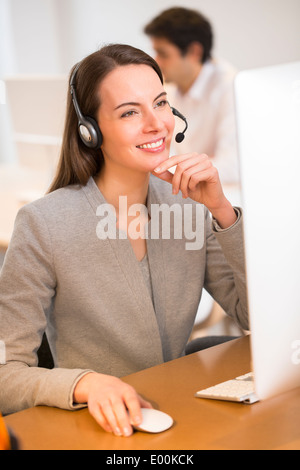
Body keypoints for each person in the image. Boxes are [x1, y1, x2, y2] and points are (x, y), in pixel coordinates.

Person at [0, 44, 248, 438]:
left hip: (175, 413)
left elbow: (254, 317)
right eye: (130, 112)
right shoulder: (43, 224)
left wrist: (222, 211)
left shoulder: (189, 205)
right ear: (90, 130)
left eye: (161, 103)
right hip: (93, 425)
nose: (157, 124)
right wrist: (85, 383)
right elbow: (5, 373)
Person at [144, 7, 240, 184]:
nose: (156, 61)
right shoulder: (169, 86)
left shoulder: (231, 87)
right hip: (184, 194)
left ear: (194, 51)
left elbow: (233, 165)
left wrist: (170, 169)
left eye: (163, 54)